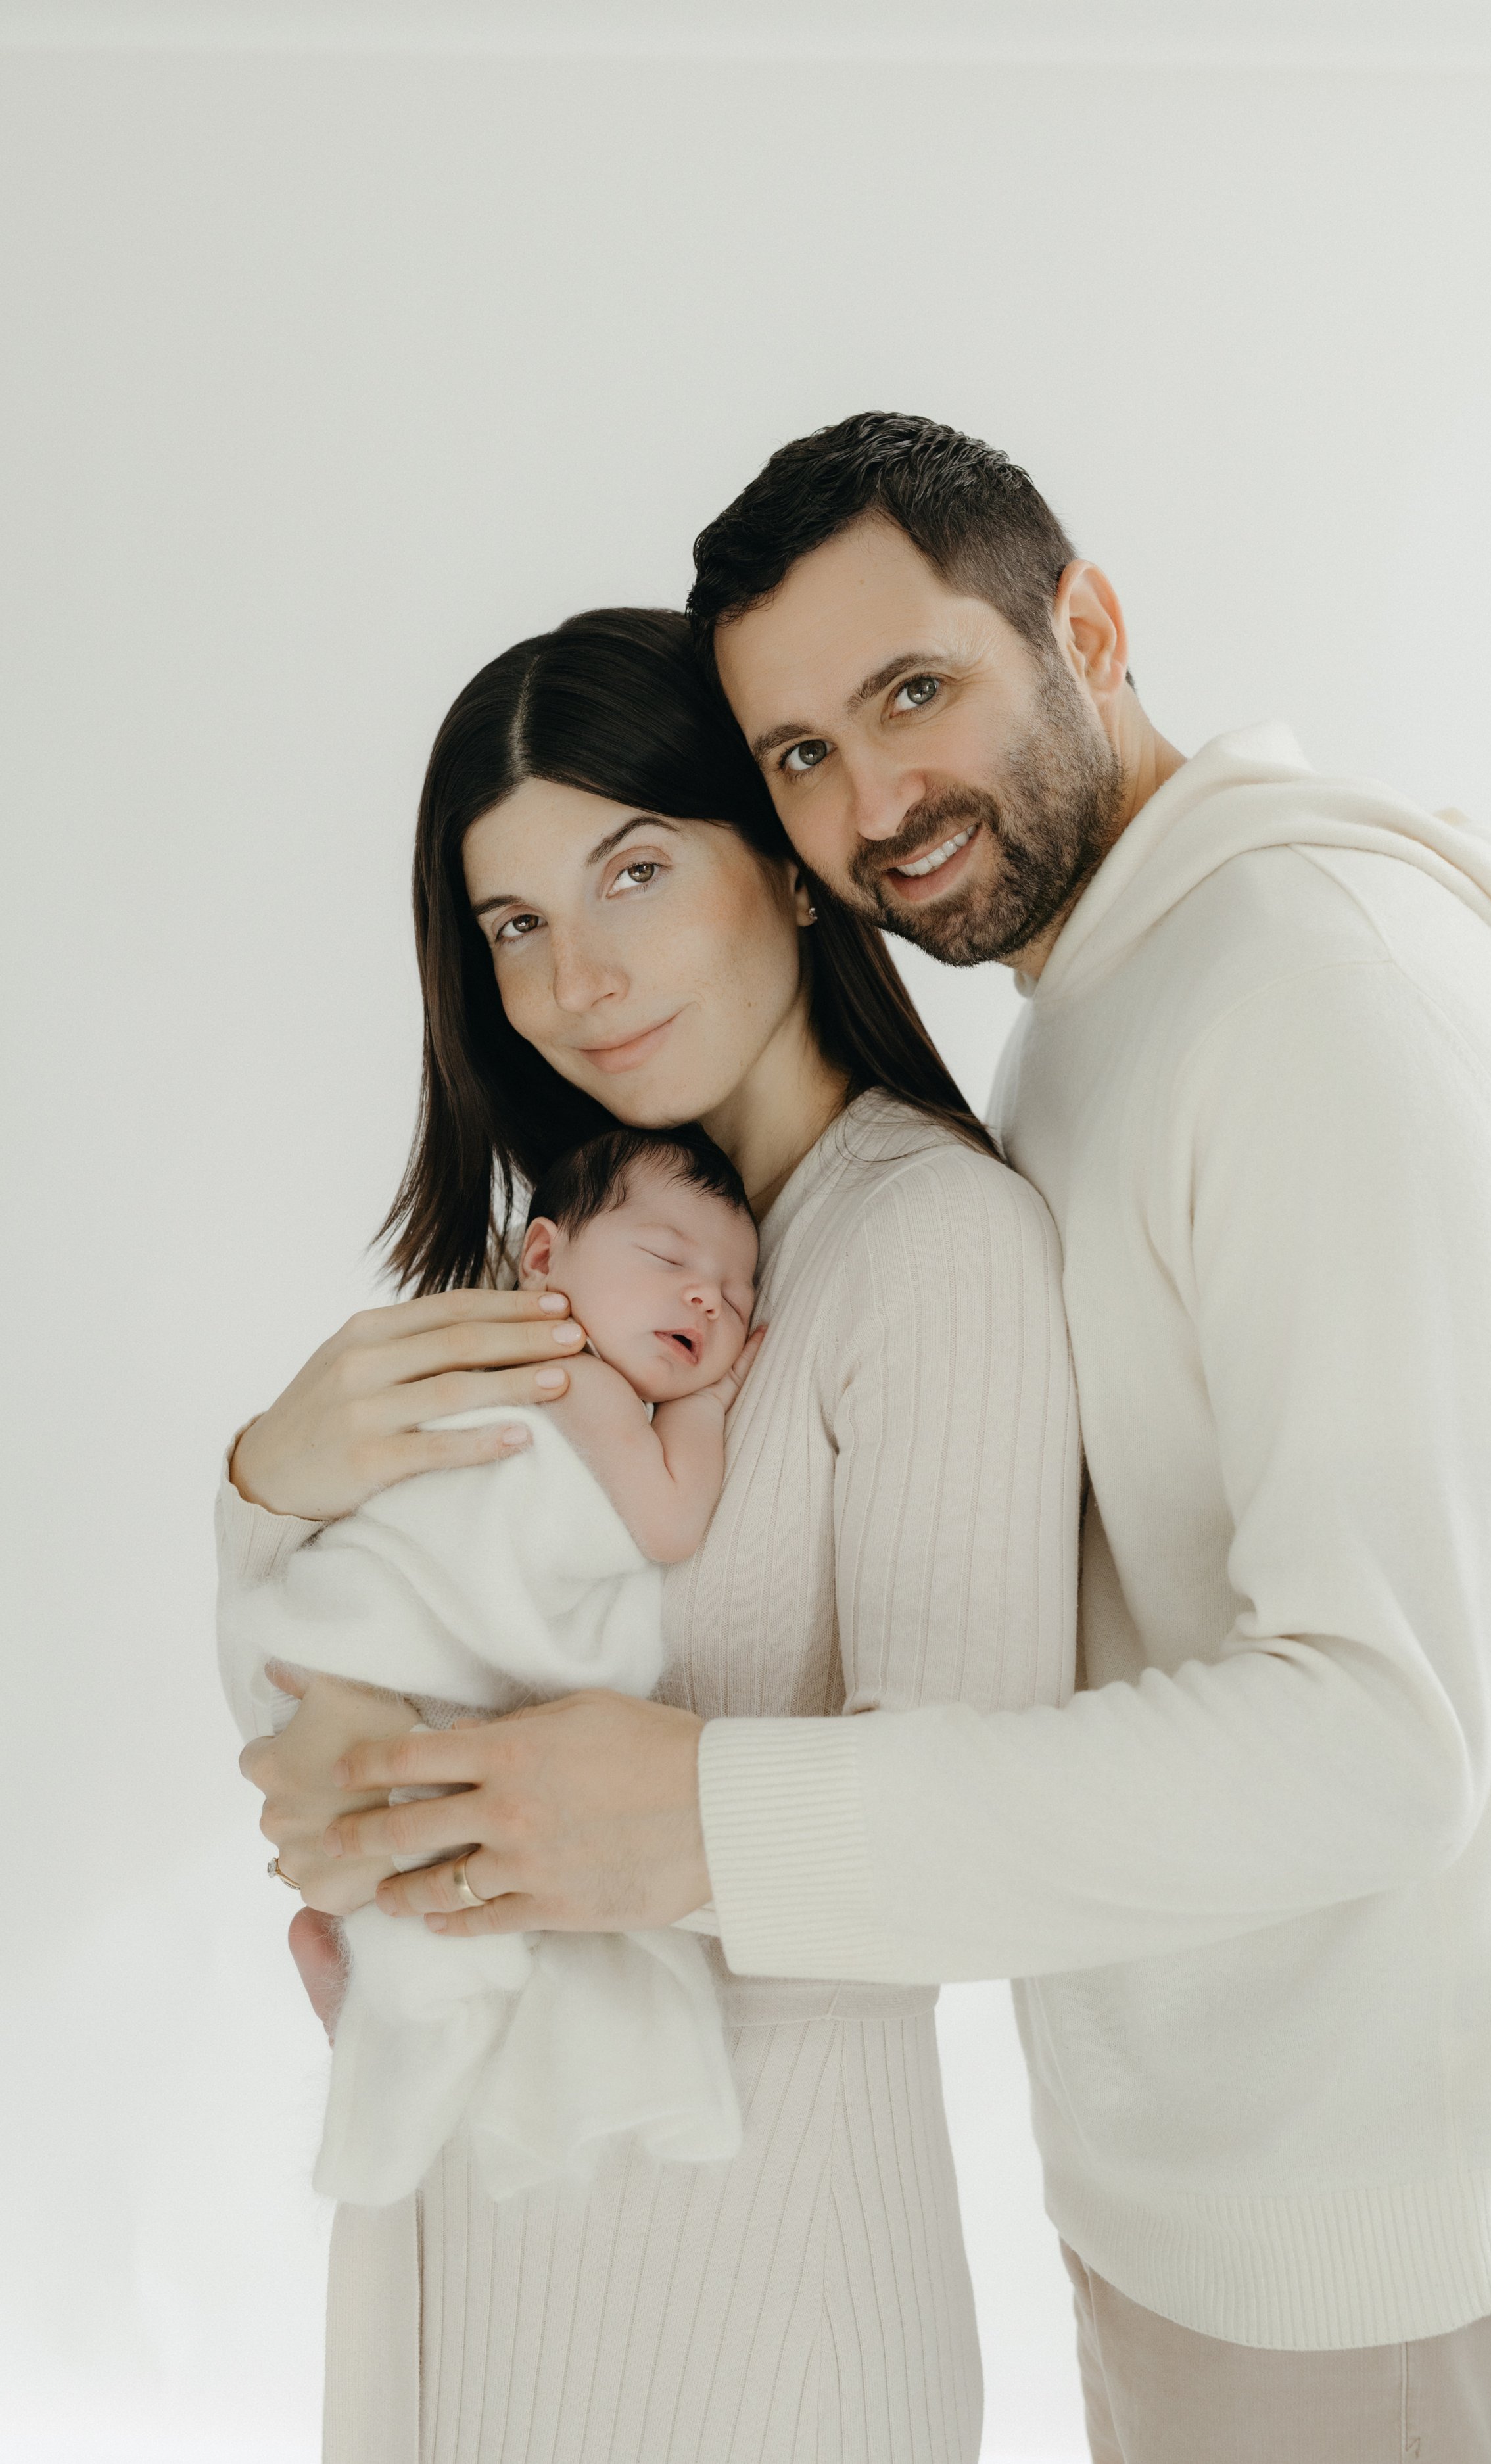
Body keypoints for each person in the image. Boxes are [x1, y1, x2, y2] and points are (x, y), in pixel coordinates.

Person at [329, 419, 1491, 2464]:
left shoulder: (1315, 1002)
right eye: (797, 757)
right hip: (1207, 2200)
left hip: (1386, 2248)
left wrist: (687, 1823)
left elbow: (1385, 1735)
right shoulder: (1106, 1005)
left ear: (1088, 626)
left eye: (913, 693)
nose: (875, 806)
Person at [225, 604, 1081, 2462]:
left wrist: (574, 1812)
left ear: (784, 870)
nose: (575, 979)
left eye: (631, 870)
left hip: (757, 2296)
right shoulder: (568, 1268)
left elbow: (989, 1836)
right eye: (512, 924)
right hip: (473, 2234)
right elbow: (318, 1689)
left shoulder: (928, 1245)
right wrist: (265, 1484)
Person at [220, 1126, 764, 2212]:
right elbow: (666, 1522)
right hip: (404, 1644)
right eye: (669, 1261)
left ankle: (369, 1986)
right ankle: (389, 2003)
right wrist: (703, 1410)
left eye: (740, 1292)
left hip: (342, 1636)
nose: (709, 1299)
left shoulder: (490, 1357)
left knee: (429, 1858)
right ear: (547, 1261)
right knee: (466, 1905)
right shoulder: (583, 1387)